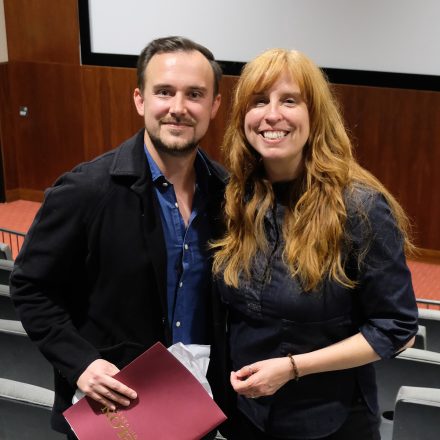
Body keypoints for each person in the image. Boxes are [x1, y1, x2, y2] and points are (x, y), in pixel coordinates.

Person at [10, 36, 226, 438]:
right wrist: (81, 364)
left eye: (194, 94)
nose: (178, 108)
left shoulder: (227, 194)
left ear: (213, 105)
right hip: (112, 410)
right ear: (140, 100)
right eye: (164, 92)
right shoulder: (85, 190)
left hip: (196, 408)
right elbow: (30, 287)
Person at [209, 48, 418, 439]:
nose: (272, 115)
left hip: (329, 422)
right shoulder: (236, 196)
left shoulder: (360, 207)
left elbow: (397, 327)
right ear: (243, 118)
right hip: (245, 418)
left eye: (289, 100)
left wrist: (292, 368)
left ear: (315, 115)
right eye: (259, 101)